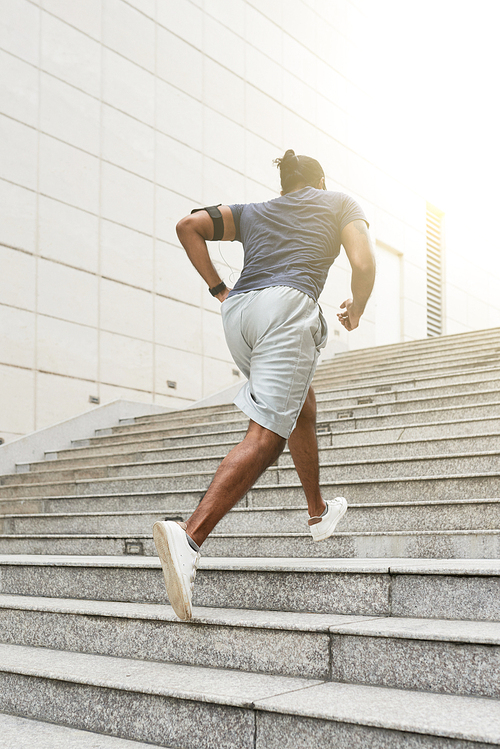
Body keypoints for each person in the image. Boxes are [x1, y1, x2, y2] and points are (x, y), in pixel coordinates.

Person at [153, 149, 376, 620]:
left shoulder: (254, 212)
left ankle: (317, 511)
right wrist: (355, 309)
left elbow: (187, 226)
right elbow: (363, 262)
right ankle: (188, 537)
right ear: (319, 181)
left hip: (240, 313)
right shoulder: (338, 202)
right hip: (286, 308)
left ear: (284, 186)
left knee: (299, 404)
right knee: (266, 436)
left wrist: (219, 288)